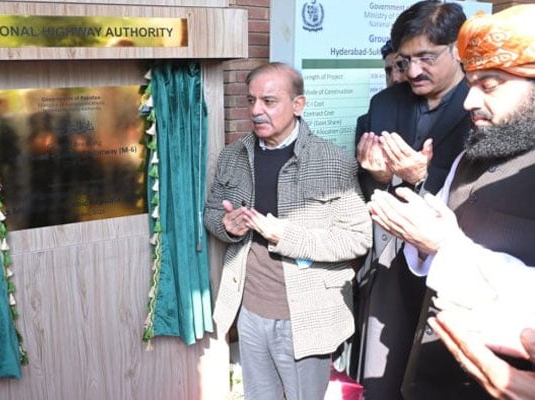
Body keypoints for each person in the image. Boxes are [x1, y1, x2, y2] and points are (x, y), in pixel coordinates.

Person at [366, 4, 535, 398]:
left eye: (489, 85)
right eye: (471, 83)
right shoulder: (471, 154)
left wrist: (445, 246)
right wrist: (416, 227)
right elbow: (429, 252)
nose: (468, 102)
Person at [204, 62, 372, 400]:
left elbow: (357, 237)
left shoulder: (333, 161)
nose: (256, 111)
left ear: (298, 105)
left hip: (306, 317)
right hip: (250, 311)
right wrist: (225, 226)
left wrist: (287, 237)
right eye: (251, 100)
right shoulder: (233, 156)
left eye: (269, 101)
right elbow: (210, 211)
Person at [353, 1, 472, 398]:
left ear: (457, 50)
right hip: (390, 268)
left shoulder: (481, 105)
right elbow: (367, 187)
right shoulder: (385, 104)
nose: (414, 71)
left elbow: (482, 186)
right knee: (381, 379)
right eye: (405, 60)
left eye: (426, 58)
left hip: (455, 269)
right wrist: (379, 176)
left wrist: (423, 178)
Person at [354, 39, 407, 141]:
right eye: (388, 71)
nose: (395, 78)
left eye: (401, 67)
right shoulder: (365, 122)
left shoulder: (436, 116)